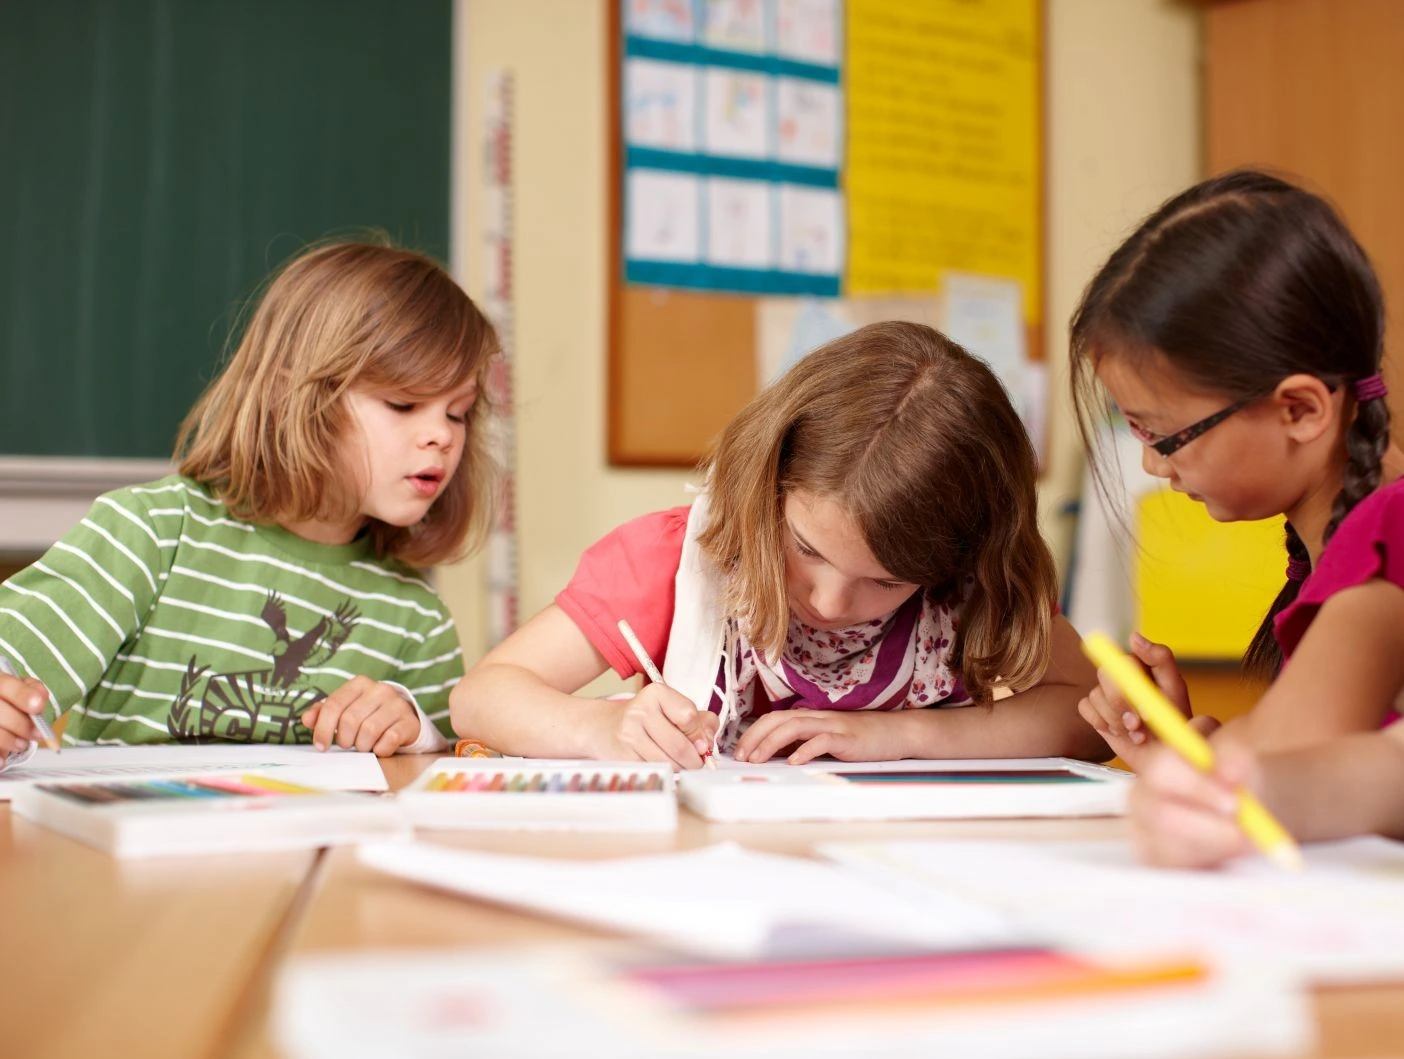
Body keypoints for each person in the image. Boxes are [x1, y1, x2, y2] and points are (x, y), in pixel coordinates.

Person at [454, 321, 1105, 768]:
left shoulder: (975, 580)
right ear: (769, 484)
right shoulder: (678, 559)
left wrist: (904, 733)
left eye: (885, 581)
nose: (830, 601)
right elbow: (481, 696)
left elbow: (1087, 710)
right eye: (807, 548)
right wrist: (599, 726)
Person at [0, 239, 497, 762]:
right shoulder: (151, 531)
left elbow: (460, 761)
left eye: (458, 413)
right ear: (289, 399)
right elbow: (11, 670)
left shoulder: (417, 616)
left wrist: (416, 731)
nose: (442, 435)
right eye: (403, 403)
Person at [1068, 170, 1404, 864]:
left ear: (1300, 410)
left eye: (1164, 434)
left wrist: (1206, 767)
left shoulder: (1385, 537)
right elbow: (1293, 772)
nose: (1154, 465)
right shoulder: (1337, 537)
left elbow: (1281, 768)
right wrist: (1182, 756)